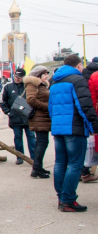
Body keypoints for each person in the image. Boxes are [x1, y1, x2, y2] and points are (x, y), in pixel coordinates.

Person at [49, 55, 98, 212]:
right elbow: (85, 106)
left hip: (58, 128)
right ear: (78, 66)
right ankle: (68, 200)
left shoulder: (54, 81)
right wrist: (94, 125)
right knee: (75, 164)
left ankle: (61, 197)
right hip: (74, 128)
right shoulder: (77, 80)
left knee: (60, 163)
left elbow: (51, 108)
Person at [0, 68, 36, 165]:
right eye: (16, 76)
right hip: (15, 118)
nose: (17, 78)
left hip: (28, 118)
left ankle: (34, 157)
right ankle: (20, 157)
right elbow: (2, 101)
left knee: (31, 138)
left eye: (19, 77)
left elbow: (34, 101)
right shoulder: (8, 87)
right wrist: (8, 112)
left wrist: (32, 113)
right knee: (18, 138)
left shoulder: (28, 87)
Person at [24, 66, 51, 179]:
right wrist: (47, 107)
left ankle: (38, 167)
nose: (47, 76)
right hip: (38, 118)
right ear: (38, 75)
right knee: (42, 142)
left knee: (42, 142)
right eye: (45, 74)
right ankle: (36, 169)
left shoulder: (41, 85)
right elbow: (31, 100)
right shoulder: (33, 84)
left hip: (42, 118)